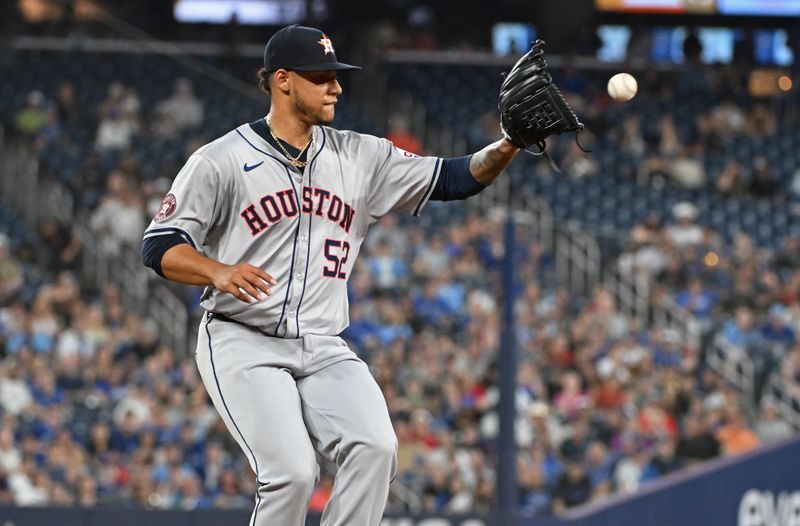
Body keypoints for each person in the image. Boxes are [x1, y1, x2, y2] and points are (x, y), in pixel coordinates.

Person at [140, 24, 521, 526]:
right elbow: (158, 245)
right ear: (283, 80)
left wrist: (511, 142)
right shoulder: (221, 160)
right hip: (243, 340)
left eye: (336, 77)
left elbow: (453, 178)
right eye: (321, 77)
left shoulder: (360, 155)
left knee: (376, 446)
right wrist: (218, 270)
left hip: (322, 344)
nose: (336, 87)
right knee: (293, 474)